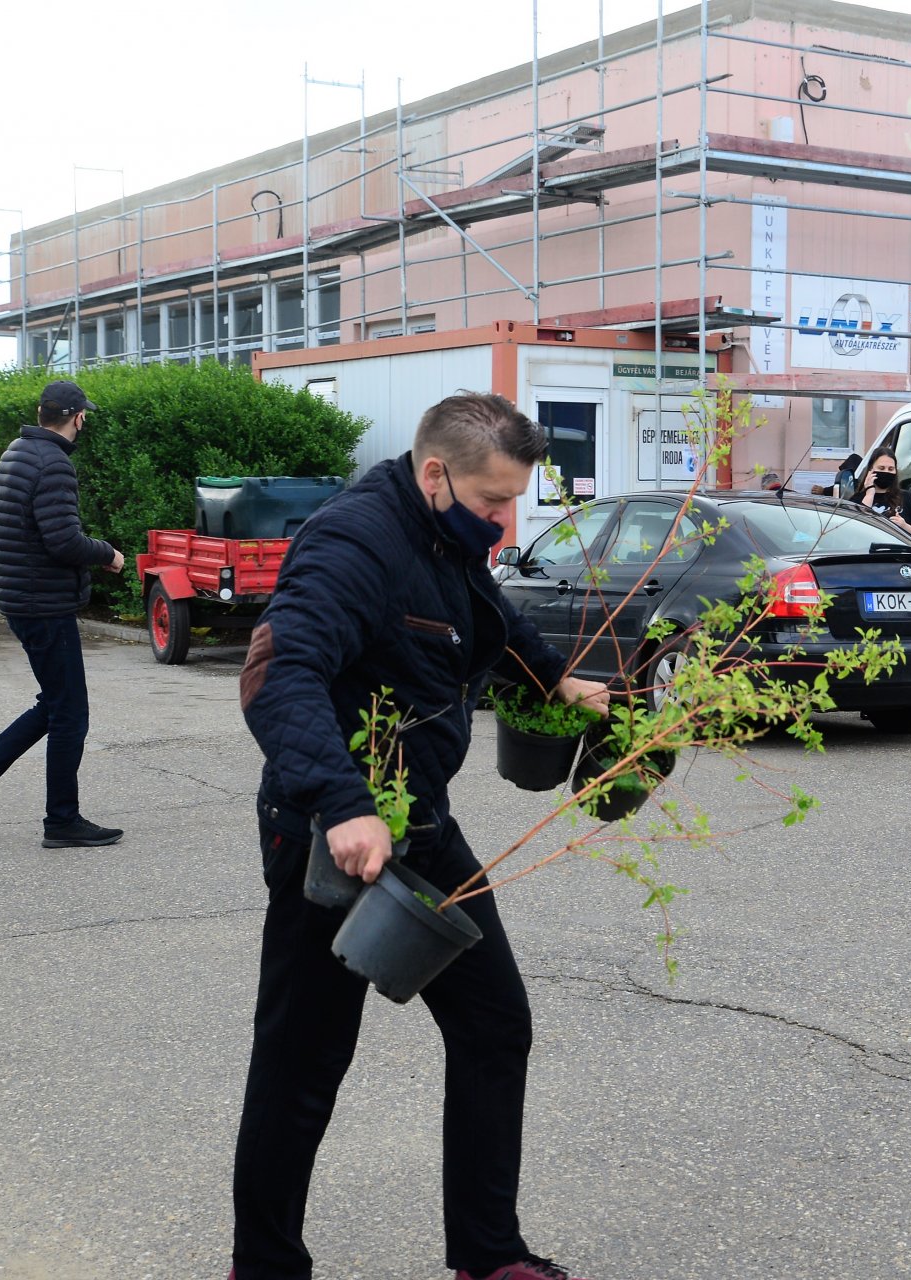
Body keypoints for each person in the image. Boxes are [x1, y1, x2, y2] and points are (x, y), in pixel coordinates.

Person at [232, 392, 610, 1280]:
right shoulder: (353, 543)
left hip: (421, 822)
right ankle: (266, 1266)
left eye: (515, 502)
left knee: (494, 1024)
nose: (506, 522)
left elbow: (492, 614)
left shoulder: (445, 534)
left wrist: (556, 680)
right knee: (304, 1060)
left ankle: (488, 1256)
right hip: (329, 840)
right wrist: (341, 801)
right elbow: (277, 675)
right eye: (492, 504)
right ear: (434, 473)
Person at [0, 379, 126, 849]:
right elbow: (62, 541)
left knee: (56, 705)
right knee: (70, 714)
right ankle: (60, 820)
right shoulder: (53, 462)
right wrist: (108, 555)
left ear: (43, 413)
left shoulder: (18, 450)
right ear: (77, 417)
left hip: (23, 598)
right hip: (44, 603)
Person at [853, 445, 911, 549]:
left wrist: (905, 527)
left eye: (891, 469)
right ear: (871, 470)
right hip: (867, 557)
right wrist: (869, 494)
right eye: (881, 468)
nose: (886, 472)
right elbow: (854, 529)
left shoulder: (907, 497)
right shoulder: (857, 499)